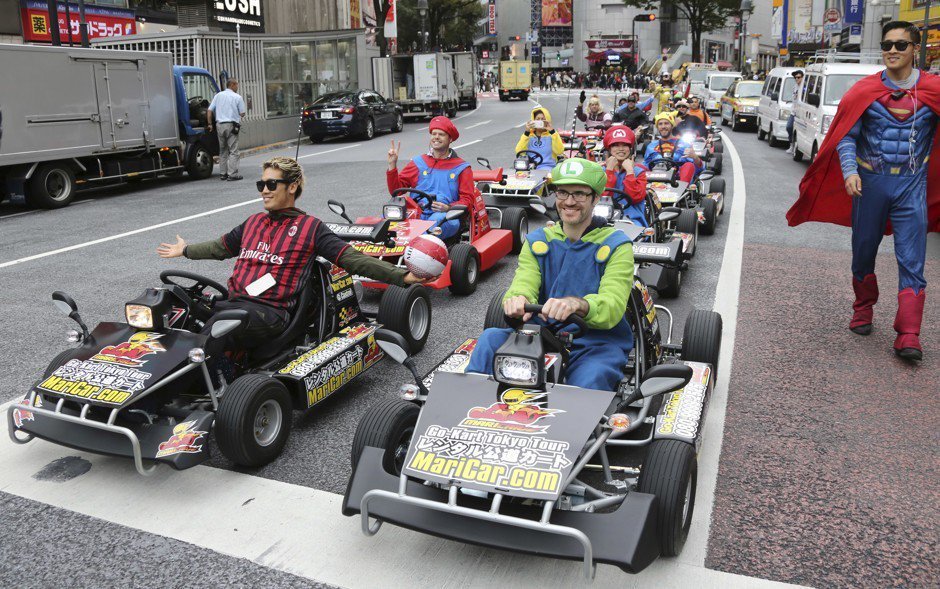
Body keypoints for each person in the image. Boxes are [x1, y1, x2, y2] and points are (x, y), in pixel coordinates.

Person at [156, 157, 432, 352]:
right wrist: (186, 250)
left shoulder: (310, 228)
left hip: (271, 313)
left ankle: (194, 379)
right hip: (235, 304)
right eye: (261, 184)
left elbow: (351, 259)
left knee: (220, 325)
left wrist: (401, 275)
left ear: (292, 186)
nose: (264, 190)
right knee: (169, 304)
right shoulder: (253, 222)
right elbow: (220, 247)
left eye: (271, 184)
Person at [787, 21, 940, 361]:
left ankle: (909, 333)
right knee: (863, 252)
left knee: (912, 260)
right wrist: (850, 171)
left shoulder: (933, 90)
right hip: (870, 185)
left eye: (901, 45)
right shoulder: (863, 91)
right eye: (887, 44)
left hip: (911, 185)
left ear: (916, 49)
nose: (893, 50)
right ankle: (863, 306)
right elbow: (847, 136)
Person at [464, 158, 635, 391]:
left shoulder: (616, 245)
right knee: (490, 339)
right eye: (563, 193)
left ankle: (579, 423)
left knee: (589, 380)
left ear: (595, 198)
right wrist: (518, 299)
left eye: (579, 194)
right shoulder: (539, 241)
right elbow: (524, 282)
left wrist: (578, 305)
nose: (569, 202)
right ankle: (471, 405)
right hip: (541, 334)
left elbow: (613, 305)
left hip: (594, 342)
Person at [387, 116, 474, 240]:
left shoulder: (462, 167)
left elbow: (467, 200)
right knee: (390, 218)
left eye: (441, 134)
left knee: (433, 223)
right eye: (434, 134)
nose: (436, 137)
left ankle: (415, 249)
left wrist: (448, 207)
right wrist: (392, 165)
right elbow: (396, 191)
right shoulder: (418, 162)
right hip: (417, 212)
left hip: (446, 215)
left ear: (450, 139)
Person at [603, 125, 649, 226]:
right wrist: (609, 171)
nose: (621, 149)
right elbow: (600, 198)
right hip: (602, 216)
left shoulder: (639, 172)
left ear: (630, 149)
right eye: (616, 145)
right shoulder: (600, 171)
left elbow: (635, 197)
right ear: (609, 149)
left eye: (625, 145)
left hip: (631, 218)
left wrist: (630, 172)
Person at [644, 112, 703, 183]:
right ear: (657, 127)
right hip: (655, 178)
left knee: (689, 165)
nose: (663, 126)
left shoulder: (685, 144)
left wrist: (695, 157)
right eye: (660, 124)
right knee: (637, 167)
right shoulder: (651, 146)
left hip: (677, 181)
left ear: (672, 126)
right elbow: (645, 166)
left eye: (666, 123)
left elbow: (698, 168)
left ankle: (683, 189)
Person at [207, 79, 246, 181]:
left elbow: (209, 110)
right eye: (237, 85)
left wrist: (210, 124)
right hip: (231, 126)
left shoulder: (218, 95)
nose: (237, 87)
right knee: (233, 150)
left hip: (219, 125)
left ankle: (223, 174)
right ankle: (232, 174)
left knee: (222, 150)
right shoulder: (237, 97)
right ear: (232, 85)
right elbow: (242, 113)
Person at [514, 106, 564, 171]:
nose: (540, 121)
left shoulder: (552, 135)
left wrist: (552, 131)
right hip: (528, 167)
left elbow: (559, 151)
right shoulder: (528, 136)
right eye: (537, 119)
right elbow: (519, 152)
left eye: (543, 119)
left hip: (547, 167)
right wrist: (526, 133)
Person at [786, 70, 805, 155]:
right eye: (795, 77)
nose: (796, 79)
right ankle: (791, 145)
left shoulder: (804, 87)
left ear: (802, 77)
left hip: (801, 113)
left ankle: (798, 147)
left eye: (798, 77)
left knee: (800, 131)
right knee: (789, 127)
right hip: (794, 111)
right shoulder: (795, 87)